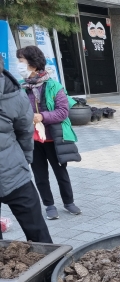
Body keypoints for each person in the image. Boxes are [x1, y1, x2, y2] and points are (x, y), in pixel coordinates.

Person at [17, 46, 81, 220]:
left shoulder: (53, 86)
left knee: (61, 173)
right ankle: (49, 205)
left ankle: (68, 202)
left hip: (55, 138)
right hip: (33, 140)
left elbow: (62, 112)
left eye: (21, 61)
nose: (19, 65)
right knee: (40, 175)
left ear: (33, 63)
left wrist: (41, 116)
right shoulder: (21, 88)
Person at [0, 56, 52, 243]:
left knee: (38, 233)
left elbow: (25, 132)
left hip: (15, 174)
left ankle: (50, 269)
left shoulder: (14, 94)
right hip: (15, 168)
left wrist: (24, 161)